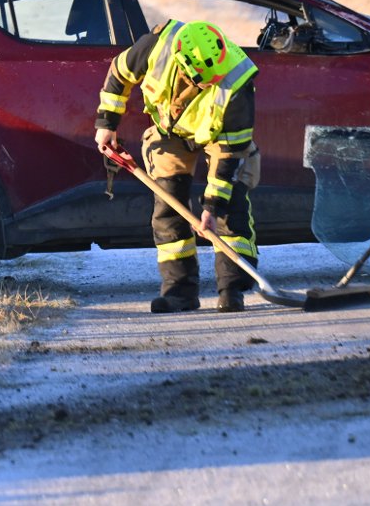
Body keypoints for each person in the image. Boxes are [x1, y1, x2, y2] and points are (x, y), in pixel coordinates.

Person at [94, 20, 261, 313]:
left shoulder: (237, 82)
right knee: (168, 206)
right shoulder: (154, 46)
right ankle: (179, 294)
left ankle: (233, 289)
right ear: (184, 65)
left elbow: (228, 155)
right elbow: (119, 74)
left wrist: (212, 206)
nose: (212, 83)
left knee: (230, 207)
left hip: (219, 139)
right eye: (205, 81)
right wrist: (107, 123)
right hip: (170, 132)